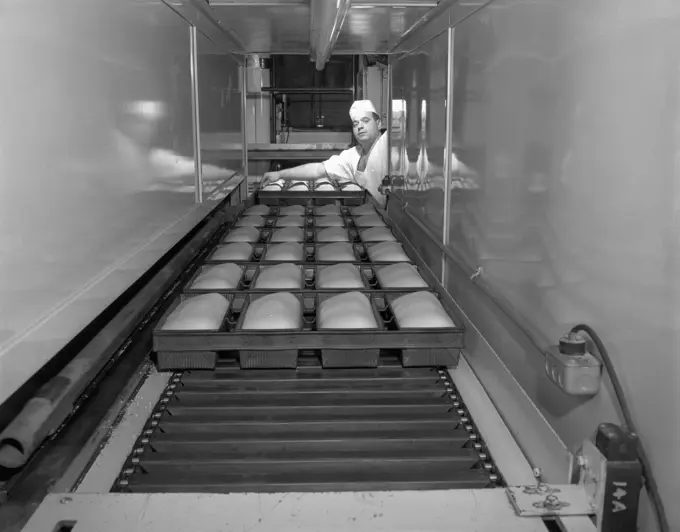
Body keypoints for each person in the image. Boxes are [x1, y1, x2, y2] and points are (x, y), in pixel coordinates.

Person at [261, 100, 389, 205]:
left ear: (378, 124)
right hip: (373, 215)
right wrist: (279, 174)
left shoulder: (388, 144)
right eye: (356, 123)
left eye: (365, 121)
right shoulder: (353, 156)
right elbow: (318, 169)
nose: (360, 126)